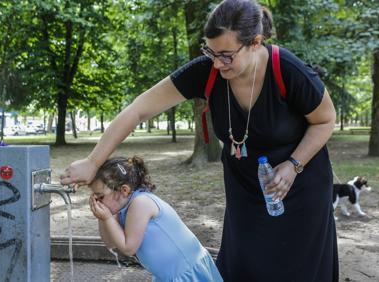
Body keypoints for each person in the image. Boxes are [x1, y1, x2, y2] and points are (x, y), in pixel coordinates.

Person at [61, 0, 339, 281]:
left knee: (298, 270)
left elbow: (325, 121)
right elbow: (138, 109)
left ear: (255, 43)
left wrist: (293, 165)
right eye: (210, 51)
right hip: (246, 190)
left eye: (226, 55)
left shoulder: (288, 71)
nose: (217, 63)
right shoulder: (207, 70)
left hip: (300, 188)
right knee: (245, 267)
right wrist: (92, 160)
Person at [87, 156, 223, 282]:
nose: (97, 201)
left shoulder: (140, 203)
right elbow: (111, 243)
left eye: (100, 196)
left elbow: (128, 248)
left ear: (124, 190)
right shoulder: (121, 208)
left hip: (184, 272)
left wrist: (108, 219)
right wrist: (104, 219)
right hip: (168, 275)